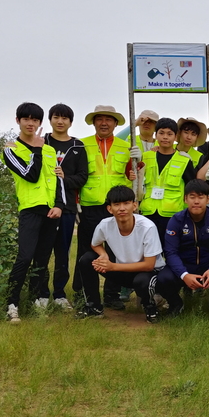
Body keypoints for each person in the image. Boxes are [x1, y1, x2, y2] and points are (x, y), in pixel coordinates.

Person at [2, 102, 64, 323]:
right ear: (18, 121)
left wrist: (59, 205)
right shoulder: (11, 149)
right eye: (26, 119)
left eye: (35, 120)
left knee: (42, 259)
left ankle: (38, 301)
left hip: (51, 212)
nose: (31, 123)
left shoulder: (49, 150)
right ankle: (11, 305)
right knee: (25, 257)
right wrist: (36, 149)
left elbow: (57, 179)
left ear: (40, 122)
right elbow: (30, 175)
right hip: (29, 211)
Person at [74, 105, 139, 311]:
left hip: (117, 207)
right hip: (90, 205)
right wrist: (75, 202)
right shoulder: (81, 145)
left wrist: (138, 161)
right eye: (99, 119)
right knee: (86, 251)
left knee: (116, 251)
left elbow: (133, 174)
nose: (104, 123)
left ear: (116, 123)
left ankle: (111, 295)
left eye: (108, 119)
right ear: (94, 122)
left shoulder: (126, 146)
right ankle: (82, 293)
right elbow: (75, 173)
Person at [75, 186, 164, 323]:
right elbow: (95, 244)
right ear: (109, 209)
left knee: (142, 281)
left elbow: (149, 265)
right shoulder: (104, 224)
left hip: (148, 273)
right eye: (116, 204)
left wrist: (112, 266)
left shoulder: (148, 227)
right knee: (87, 259)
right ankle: (94, 307)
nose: (122, 208)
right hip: (122, 270)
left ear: (134, 206)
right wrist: (103, 255)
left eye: (126, 203)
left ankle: (150, 306)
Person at [157, 180, 209, 317]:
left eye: (201, 197)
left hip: (208, 266)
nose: (196, 201)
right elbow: (170, 252)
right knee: (163, 278)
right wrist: (184, 275)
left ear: (208, 199)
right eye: (192, 197)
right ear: (185, 199)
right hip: (184, 266)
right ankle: (176, 303)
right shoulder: (176, 220)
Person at [39, 103, 88, 309]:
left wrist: (64, 179)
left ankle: (59, 294)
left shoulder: (77, 146)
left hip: (67, 208)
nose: (60, 121)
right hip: (42, 205)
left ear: (70, 121)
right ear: (50, 120)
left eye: (65, 118)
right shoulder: (41, 142)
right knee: (41, 252)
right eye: (56, 117)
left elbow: (82, 178)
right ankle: (41, 294)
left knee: (62, 252)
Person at [138, 117, 196, 247]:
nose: (165, 137)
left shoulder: (184, 160)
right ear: (155, 135)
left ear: (176, 137)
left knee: (171, 250)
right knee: (148, 249)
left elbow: (191, 188)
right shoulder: (146, 156)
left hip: (173, 215)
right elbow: (138, 182)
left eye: (169, 134)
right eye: (161, 133)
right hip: (148, 212)